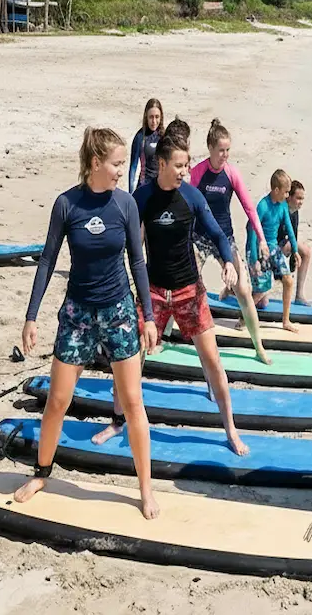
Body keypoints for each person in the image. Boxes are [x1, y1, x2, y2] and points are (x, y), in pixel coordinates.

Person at [15, 127, 160, 519]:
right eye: (116, 164)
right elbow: (47, 261)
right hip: (77, 314)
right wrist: (31, 316)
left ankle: (145, 489)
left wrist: (147, 316)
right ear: (96, 163)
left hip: (118, 313)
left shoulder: (126, 205)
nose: (121, 171)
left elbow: (138, 262)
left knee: (132, 403)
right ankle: (41, 473)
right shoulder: (67, 205)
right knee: (58, 401)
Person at [95, 124, 251, 456]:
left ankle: (230, 429)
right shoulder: (143, 197)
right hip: (152, 290)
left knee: (213, 362)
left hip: (189, 292)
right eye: (179, 165)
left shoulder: (192, 197)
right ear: (162, 164)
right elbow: (125, 240)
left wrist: (227, 262)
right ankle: (117, 420)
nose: (184, 171)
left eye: (186, 165)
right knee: (128, 359)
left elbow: (218, 234)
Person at [190, 118, 273, 363]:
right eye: (221, 150)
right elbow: (187, 206)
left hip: (225, 238)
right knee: (184, 287)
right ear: (210, 148)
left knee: (245, 291)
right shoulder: (198, 172)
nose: (225, 154)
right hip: (199, 238)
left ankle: (259, 347)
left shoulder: (231, 174)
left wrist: (262, 239)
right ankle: (164, 336)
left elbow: (249, 208)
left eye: (228, 150)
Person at [246, 169, 300, 334]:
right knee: (261, 293)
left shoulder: (282, 205)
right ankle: (242, 316)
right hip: (258, 249)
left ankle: (286, 321)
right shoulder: (262, 206)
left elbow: (289, 228)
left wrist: (295, 250)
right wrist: (255, 259)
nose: (287, 196)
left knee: (288, 280)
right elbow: (252, 231)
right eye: (285, 192)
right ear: (276, 190)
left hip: (273, 248)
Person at [277, 179, 312, 305]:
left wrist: (294, 258)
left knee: (306, 251)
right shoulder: (280, 209)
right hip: (270, 248)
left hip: (284, 245)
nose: (301, 202)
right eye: (298, 198)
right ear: (289, 197)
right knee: (261, 300)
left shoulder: (294, 211)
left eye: (302, 199)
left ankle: (299, 295)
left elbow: (294, 234)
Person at [128, 98, 163, 193]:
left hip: (162, 186)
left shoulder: (164, 136)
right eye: (151, 117)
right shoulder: (140, 137)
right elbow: (133, 167)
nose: (154, 121)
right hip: (144, 186)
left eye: (157, 117)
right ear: (146, 117)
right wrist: (131, 193)